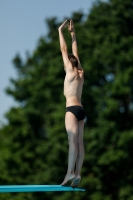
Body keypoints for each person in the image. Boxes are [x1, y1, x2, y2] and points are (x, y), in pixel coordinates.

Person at [58, 19, 85, 188]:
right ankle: (78, 173)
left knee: (72, 142)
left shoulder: (69, 70)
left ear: (68, 63)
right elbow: (74, 51)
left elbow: (65, 49)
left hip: (71, 109)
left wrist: (61, 31)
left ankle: (70, 173)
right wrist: (73, 33)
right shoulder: (80, 72)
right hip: (81, 110)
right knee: (80, 143)